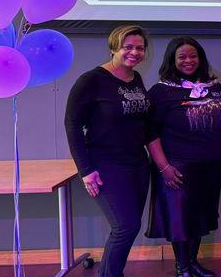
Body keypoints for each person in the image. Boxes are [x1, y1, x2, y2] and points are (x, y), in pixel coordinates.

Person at [64, 25, 151, 277]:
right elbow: (72, 125)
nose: (134, 52)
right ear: (114, 47)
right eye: (128, 47)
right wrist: (85, 170)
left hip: (138, 163)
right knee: (125, 226)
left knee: (130, 227)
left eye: (139, 48)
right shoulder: (91, 80)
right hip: (106, 164)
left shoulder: (136, 78)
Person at [146, 37, 221, 277]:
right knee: (180, 218)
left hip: (211, 164)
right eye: (182, 57)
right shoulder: (160, 92)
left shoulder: (214, 87)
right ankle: (182, 267)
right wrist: (163, 167)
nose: (188, 61)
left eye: (193, 56)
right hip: (177, 166)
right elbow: (150, 134)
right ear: (172, 60)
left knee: (200, 215)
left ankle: (192, 262)